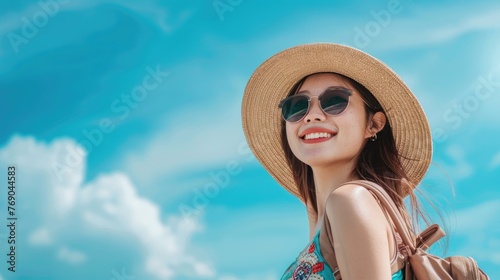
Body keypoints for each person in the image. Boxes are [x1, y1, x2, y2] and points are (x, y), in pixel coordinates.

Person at [241, 43, 433, 279]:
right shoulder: (321, 217)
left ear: (373, 125)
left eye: (334, 101)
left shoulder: (349, 201)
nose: (312, 115)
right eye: (297, 106)